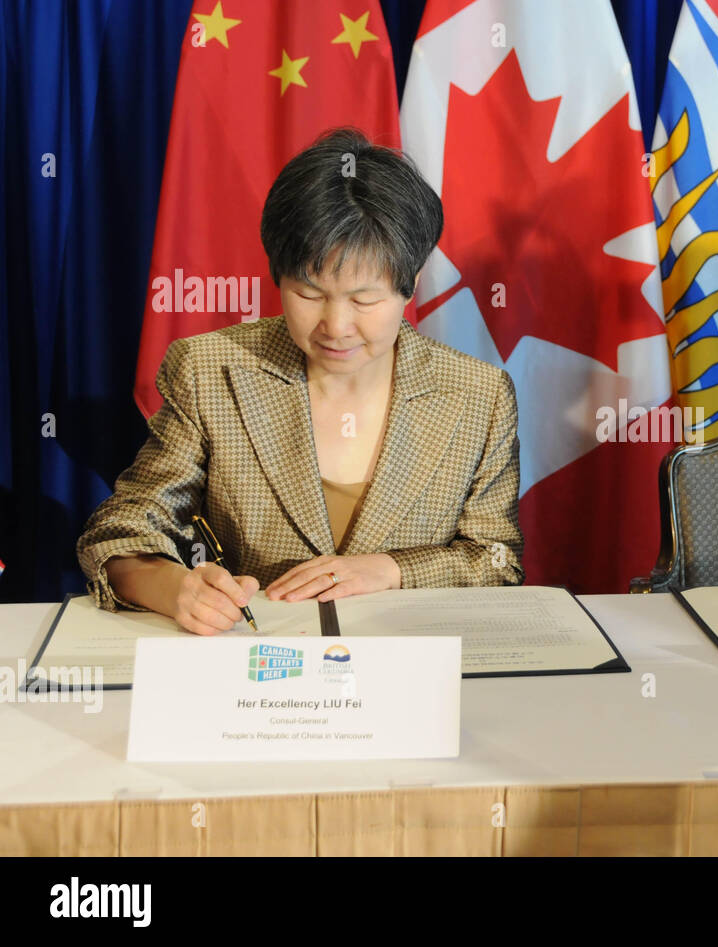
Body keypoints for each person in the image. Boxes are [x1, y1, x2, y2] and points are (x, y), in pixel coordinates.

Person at [77, 128, 523, 635]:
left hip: (411, 672)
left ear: (411, 284)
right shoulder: (209, 371)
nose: (335, 326)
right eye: (309, 294)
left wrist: (394, 570)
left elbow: (497, 560)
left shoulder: (478, 395)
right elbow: (120, 531)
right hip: (259, 673)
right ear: (277, 276)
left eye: (364, 300)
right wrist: (174, 588)